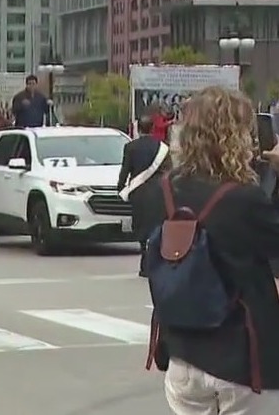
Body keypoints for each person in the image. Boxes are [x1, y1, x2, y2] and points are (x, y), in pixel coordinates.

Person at [137, 86, 279, 413]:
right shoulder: (245, 199)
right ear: (236, 137)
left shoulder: (160, 192)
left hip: (182, 356)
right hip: (243, 361)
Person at [117, 115, 170, 278]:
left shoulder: (131, 147)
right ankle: (156, 262)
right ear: (153, 129)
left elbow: (125, 171)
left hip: (139, 191)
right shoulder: (162, 147)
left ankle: (144, 262)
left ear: (138, 129)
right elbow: (169, 171)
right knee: (157, 226)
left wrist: (121, 189)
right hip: (159, 191)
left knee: (141, 226)